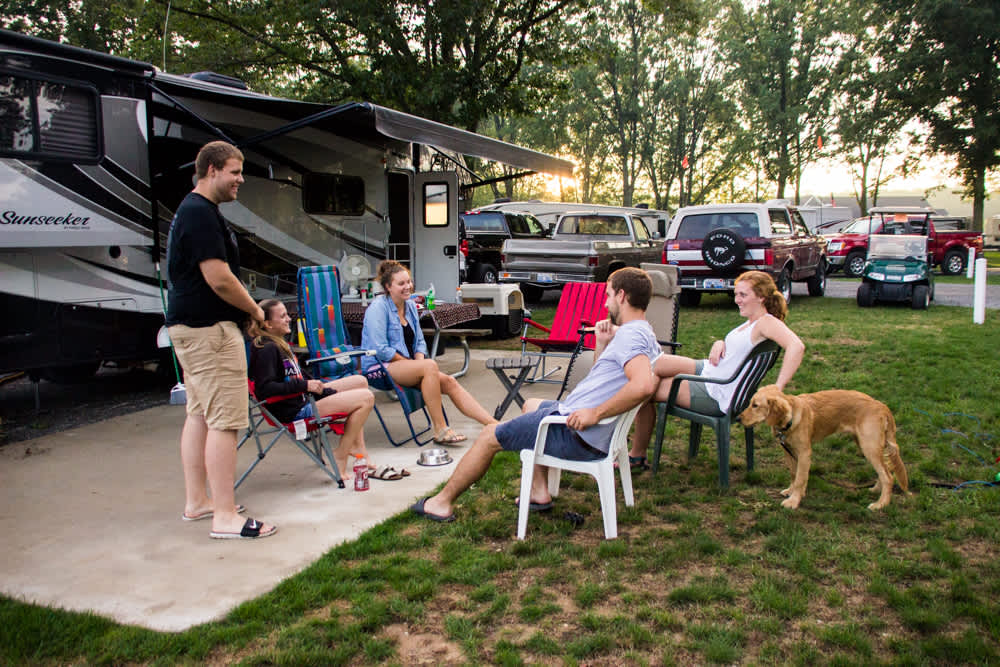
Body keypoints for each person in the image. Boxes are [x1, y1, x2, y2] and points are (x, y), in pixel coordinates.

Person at [411, 267, 660, 522]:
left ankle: (441, 503)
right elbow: (603, 380)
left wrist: (594, 414)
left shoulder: (630, 337)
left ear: (621, 295)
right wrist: (602, 343)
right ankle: (539, 492)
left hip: (575, 432)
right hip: (585, 427)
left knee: (488, 436)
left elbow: (643, 386)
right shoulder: (644, 333)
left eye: (608, 295)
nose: (605, 303)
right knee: (530, 405)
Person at [165, 140, 276, 540]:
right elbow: (219, 277)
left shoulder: (193, 210)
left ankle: (199, 502)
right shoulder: (199, 213)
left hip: (192, 329)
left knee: (200, 415)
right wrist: (255, 310)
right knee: (227, 422)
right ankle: (225, 516)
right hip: (210, 332)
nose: (240, 180)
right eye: (234, 172)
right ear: (211, 170)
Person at [627, 270, 806, 466]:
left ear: (761, 297)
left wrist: (778, 386)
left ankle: (636, 453)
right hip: (710, 370)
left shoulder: (767, 322)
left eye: (743, 295)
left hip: (716, 390)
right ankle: (630, 413)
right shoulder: (751, 322)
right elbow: (741, 346)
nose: (737, 299)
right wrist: (720, 343)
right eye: (736, 294)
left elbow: (797, 346)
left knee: (643, 389)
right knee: (655, 364)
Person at [360, 260, 497, 444]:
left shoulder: (409, 306)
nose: (407, 286)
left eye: (408, 281)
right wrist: (414, 364)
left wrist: (417, 361)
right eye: (401, 284)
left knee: (449, 381)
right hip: (380, 368)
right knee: (429, 367)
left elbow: (419, 342)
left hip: (405, 366)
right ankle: (440, 429)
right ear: (387, 287)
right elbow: (380, 349)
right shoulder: (378, 307)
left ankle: (493, 425)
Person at [247, 299, 381, 481]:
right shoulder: (267, 349)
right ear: (268, 324)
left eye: (287, 314)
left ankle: (358, 447)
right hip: (294, 411)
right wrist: (305, 386)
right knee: (366, 397)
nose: (289, 319)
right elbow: (265, 389)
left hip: (302, 397)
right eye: (283, 316)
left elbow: (299, 378)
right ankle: (340, 453)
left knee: (360, 381)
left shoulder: (277, 344)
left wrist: (324, 391)